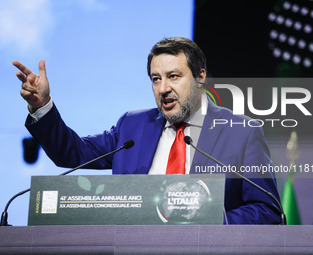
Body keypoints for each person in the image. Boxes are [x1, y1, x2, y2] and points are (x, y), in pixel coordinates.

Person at [14, 37, 281, 224]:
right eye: (156, 79)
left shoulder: (241, 131)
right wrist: (42, 105)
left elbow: (267, 210)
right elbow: (70, 154)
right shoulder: (132, 126)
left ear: (200, 77)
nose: (163, 88)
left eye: (173, 76)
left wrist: (208, 220)